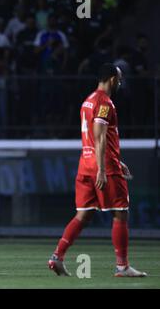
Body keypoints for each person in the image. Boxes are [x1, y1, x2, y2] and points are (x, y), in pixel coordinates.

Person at [48, 63, 147, 278]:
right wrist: (104, 168)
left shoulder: (88, 100)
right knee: (121, 212)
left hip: (85, 163)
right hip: (102, 167)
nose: (120, 82)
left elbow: (95, 137)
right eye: (119, 79)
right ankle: (122, 266)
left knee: (84, 214)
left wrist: (116, 160)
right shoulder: (104, 102)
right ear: (112, 79)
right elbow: (100, 134)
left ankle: (57, 256)